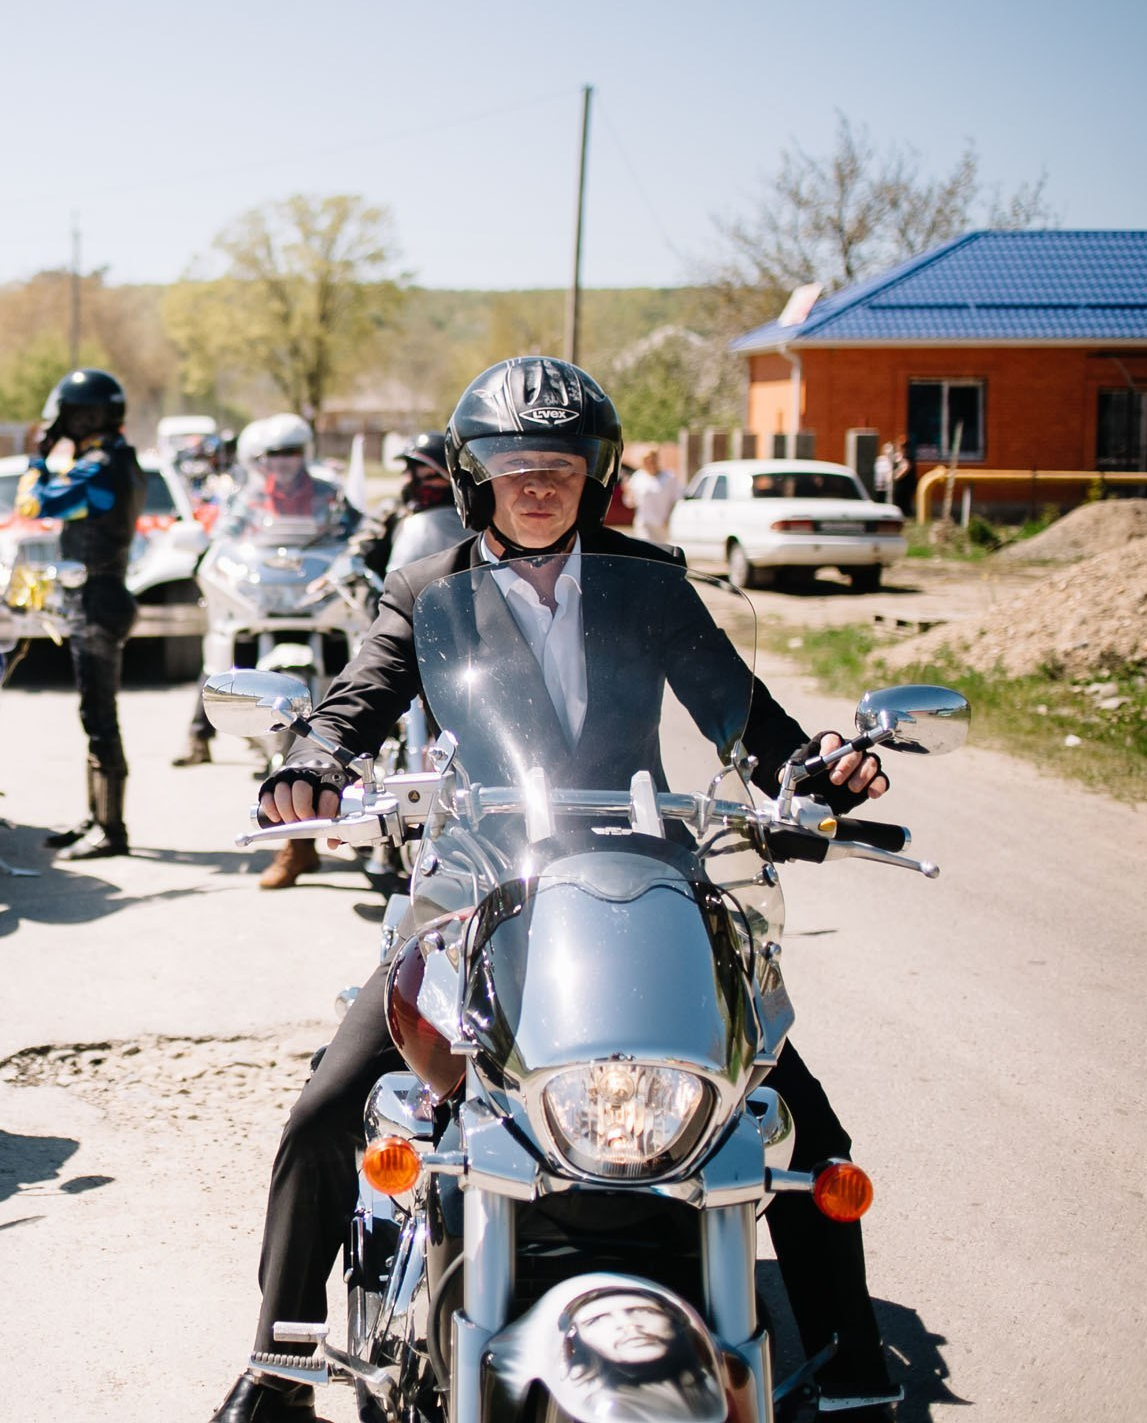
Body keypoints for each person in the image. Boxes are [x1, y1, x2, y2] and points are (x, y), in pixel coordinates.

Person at [207, 358, 902, 1423]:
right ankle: (281, 1370)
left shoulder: (654, 580)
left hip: (638, 876)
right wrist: (315, 760)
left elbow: (745, 716)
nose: (537, 486)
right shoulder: (427, 586)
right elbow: (356, 702)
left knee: (792, 1121)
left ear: (597, 477)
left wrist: (815, 770)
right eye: (511, 467)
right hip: (477, 881)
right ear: (471, 478)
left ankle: (853, 1375)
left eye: (561, 468)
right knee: (323, 1112)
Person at [171, 414, 353, 776]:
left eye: (291, 452)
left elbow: (350, 527)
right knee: (218, 653)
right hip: (262, 585)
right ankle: (198, 737)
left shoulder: (327, 493)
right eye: (276, 453)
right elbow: (227, 532)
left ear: (306, 453)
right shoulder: (251, 496)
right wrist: (211, 548)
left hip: (310, 586)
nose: (284, 461)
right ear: (261, 459)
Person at [18, 369, 147, 861]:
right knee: (93, 715)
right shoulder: (116, 460)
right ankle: (97, 818)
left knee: (100, 718)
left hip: (98, 601)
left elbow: (32, 503)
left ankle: (111, 830)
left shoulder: (99, 468)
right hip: (97, 597)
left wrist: (39, 456)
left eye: (66, 414)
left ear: (86, 414)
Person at [344, 430, 454, 583]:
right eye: (411, 475)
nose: (415, 483)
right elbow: (363, 545)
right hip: (400, 597)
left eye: (429, 476)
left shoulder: (469, 517)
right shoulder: (392, 514)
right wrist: (359, 553)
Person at [626, 445, 680, 546]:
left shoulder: (669, 477)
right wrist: (627, 492)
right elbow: (630, 502)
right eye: (647, 461)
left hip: (662, 524)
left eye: (652, 461)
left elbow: (676, 500)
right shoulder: (638, 477)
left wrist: (669, 518)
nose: (650, 464)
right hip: (644, 523)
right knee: (646, 549)